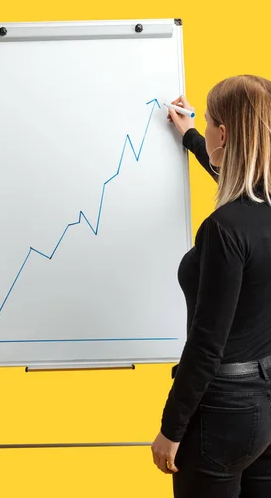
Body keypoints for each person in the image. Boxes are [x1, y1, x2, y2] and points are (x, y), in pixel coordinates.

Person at [151, 75, 271, 498]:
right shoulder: (260, 208)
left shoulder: (224, 229)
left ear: (224, 133)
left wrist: (172, 428)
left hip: (225, 414)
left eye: (212, 121)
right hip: (266, 406)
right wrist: (188, 133)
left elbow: (207, 342)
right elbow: (230, 170)